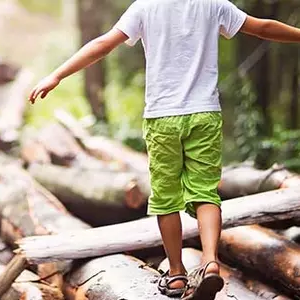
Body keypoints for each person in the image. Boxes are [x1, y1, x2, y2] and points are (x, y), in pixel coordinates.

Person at [28, 1, 300, 299]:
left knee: (166, 198)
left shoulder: (145, 7)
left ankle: (176, 273)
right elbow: (261, 27)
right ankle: (210, 261)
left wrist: (57, 74)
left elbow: (104, 43)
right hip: (204, 115)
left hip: (162, 119)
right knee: (205, 192)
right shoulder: (212, 4)